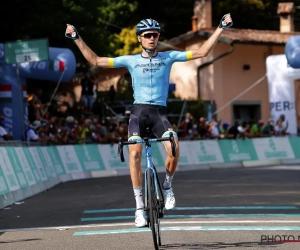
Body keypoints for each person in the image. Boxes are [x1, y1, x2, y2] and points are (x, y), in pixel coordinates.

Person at [65, 14, 233, 227]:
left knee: (174, 147)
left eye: (155, 35)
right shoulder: (131, 60)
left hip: (159, 115)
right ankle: (138, 208)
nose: (152, 38)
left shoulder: (168, 57)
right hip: (138, 112)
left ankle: (168, 185)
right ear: (139, 39)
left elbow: (202, 52)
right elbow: (96, 61)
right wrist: (76, 37)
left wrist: (220, 27)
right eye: (147, 35)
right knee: (134, 153)